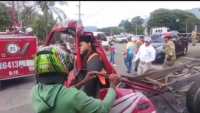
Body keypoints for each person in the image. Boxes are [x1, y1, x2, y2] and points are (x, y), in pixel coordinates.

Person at [31, 46, 122, 113]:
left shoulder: (35, 91)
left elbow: (62, 94)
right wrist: (113, 86)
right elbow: (103, 108)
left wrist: (83, 82)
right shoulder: (74, 96)